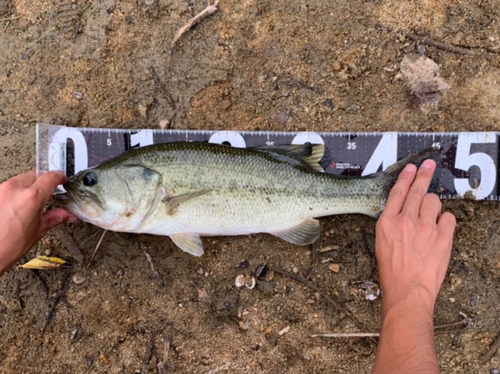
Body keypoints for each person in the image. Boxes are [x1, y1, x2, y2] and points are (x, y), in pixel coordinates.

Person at [0, 161, 456, 373]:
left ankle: (371, 194)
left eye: (91, 180)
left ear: (147, 181)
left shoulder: (158, 196)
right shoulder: (155, 204)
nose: (83, 188)